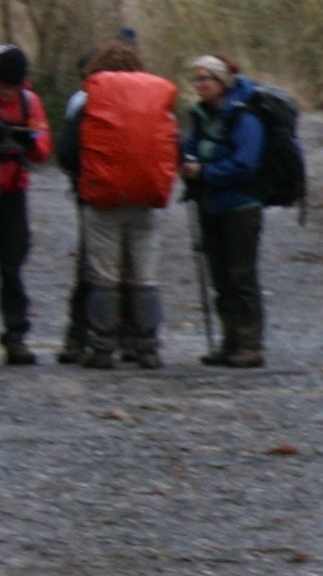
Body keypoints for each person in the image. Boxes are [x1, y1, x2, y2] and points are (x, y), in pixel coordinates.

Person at [64, 38, 181, 370]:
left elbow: (68, 152)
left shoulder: (90, 100)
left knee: (104, 275)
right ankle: (147, 347)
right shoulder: (155, 100)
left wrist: (85, 177)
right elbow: (175, 146)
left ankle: (102, 347)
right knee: (144, 274)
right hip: (146, 199)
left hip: (102, 199)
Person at [181, 54, 270, 367]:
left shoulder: (245, 117)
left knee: (241, 275)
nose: (199, 84)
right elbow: (190, 147)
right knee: (220, 277)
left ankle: (250, 345)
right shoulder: (203, 115)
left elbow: (246, 163)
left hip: (240, 205)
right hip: (211, 203)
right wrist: (187, 161)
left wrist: (205, 171)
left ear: (222, 82)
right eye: (197, 79)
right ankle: (230, 341)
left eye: (205, 78)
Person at [0, 44, 53, 364]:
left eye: (12, 86)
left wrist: (26, 140)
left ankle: (16, 335)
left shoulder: (29, 102)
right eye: (3, 86)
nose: (7, 92)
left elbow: (43, 150)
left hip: (13, 193)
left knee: (11, 266)